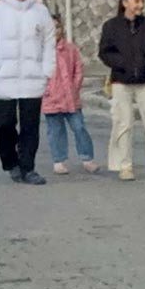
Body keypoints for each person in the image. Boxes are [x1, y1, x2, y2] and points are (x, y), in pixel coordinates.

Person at [0, 0, 55, 186]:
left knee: (30, 127)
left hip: (32, 80)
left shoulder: (41, 11)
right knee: (4, 123)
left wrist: (46, 72)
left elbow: (49, 43)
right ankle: (10, 162)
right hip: (4, 81)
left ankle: (28, 168)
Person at [99, 0, 145, 182]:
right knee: (122, 124)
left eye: (142, 1)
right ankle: (124, 166)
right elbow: (105, 52)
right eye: (136, 1)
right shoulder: (111, 26)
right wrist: (123, 64)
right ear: (125, 3)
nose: (140, 5)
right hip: (121, 82)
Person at [42, 15, 98, 176]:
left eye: (57, 27)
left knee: (79, 127)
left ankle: (87, 158)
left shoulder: (70, 49)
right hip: (50, 98)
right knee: (55, 130)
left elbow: (78, 70)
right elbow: (37, 74)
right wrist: (45, 90)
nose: (55, 31)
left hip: (70, 98)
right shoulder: (41, 51)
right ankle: (58, 160)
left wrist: (74, 87)